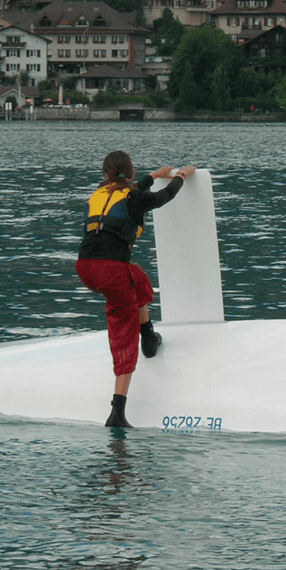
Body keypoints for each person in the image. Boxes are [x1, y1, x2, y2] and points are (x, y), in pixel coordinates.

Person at [76, 150, 195, 428]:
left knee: (137, 277)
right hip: (110, 272)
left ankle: (149, 337)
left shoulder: (99, 193)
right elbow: (163, 198)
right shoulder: (134, 197)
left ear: (105, 175)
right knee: (122, 330)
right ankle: (117, 412)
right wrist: (179, 177)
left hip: (85, 267)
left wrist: (154, 176)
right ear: (129, 172)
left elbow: (134, 192)